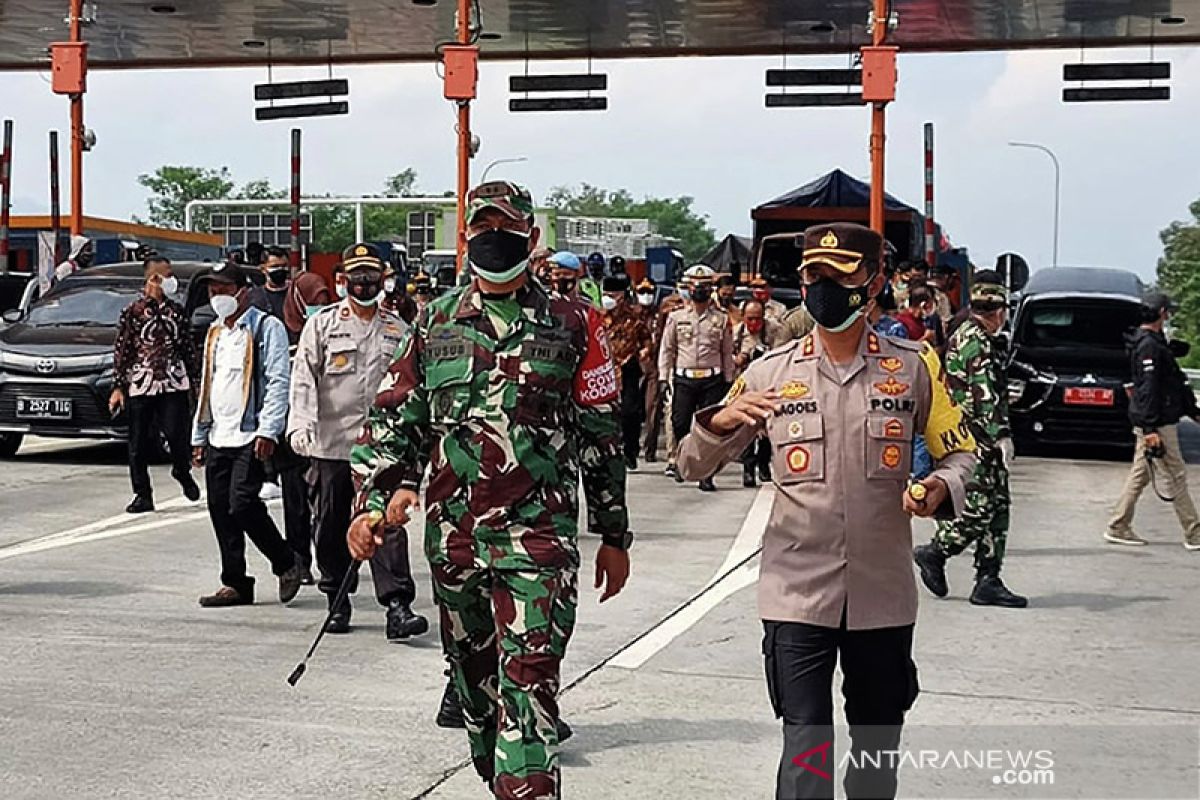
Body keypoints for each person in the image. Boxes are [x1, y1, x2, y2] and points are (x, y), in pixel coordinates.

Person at [348, 181, 632, 800]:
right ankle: (496, 765)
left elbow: (601, 434)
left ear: (531, 240)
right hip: (455, 542)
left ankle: (523, 783)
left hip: (538, 541)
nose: (493, 240)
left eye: (507, 231)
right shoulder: (435, 321)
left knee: (527, 685)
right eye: (483, 230)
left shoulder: (575, 323)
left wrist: (614, 534)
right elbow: (399, 420)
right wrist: (372, 500)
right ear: (465, 237)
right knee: (477, 690)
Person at [677, 222, 976, 800]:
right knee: (806, 748)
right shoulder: (770, 371)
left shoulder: (915, 367)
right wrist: (718, 422)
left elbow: (960, 450)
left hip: (882, 596)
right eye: (813, 275)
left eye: (838, 277)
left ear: (872, 283)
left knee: (875, 755)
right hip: (796, 592)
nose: (822, 287)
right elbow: (692, 465)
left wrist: (941, 485)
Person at [287, 243, 429, 638]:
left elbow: (408, 388)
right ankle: (336, 600)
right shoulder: (323, 324)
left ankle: (397, 605)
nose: (364, 284)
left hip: (382, 449)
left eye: (371, 277)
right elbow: (303, 379)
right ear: (342, 280)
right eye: (356, 277)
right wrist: (300, 424)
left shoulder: (398, 329)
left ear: (382, 280)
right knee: (330, 525)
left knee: (386, 523)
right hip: (333, 443)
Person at [190, 260, 304, 608]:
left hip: (250, 433)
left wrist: (269, 429)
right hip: (219, 434)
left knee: (242, 503)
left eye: (224, 290)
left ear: (243, 291)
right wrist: (198, 436)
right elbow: (208, 386)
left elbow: (277, 382)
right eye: (213, 291)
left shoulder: (266, 328)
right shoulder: (215, 332)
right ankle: (236, 582)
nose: (218, 296)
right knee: (219, 509)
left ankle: (286, 561)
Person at [913, 270, 1027, 608]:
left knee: (998, 510)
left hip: (975, 439)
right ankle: (935, 552)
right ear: (1000, 311)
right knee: (979, 510)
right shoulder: (977, 341)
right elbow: (984, 394)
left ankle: (988, 578)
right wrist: (1002, 435)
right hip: (976, 442)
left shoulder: (969, 334)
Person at [1106, 291, 1200, 549]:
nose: (1170, 316)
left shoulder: (1153, 342)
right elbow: (1148, 390)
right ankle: (1194, 533)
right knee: (1176, 474)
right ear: (1161, 314)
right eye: (1168, 312)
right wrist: (1149, 428)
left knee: (1141, 473)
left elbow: (1171, 384)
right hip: (1157, 422)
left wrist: (1192, 411)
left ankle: (1118, 525)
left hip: (1155, 419)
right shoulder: (1149, 346)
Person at [247, 245, 318, 583]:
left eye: (284, 267)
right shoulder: (254, 304)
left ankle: (315, 556)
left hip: (308, 404)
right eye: (274, 267)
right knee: (288, 490)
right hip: (275, 405)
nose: (279, 272)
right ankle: (296, 558)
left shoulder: (301, 297)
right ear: (263, 269)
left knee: (311, 492)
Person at [109, 256, 201, 513]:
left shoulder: (176, 311)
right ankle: (142, 494)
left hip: (173, 382)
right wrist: (118, 386)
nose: (172, 280)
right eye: (167, 275)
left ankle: (182, 471)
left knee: (177, 434)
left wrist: (194, 380)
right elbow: (123, 350)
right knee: (137, 443)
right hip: (141, 382)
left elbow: (187, 348)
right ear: (154, 278)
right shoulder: (133, 312)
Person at [658, 264, 734, 492]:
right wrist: (664, 378)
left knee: (709, 429)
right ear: (688, 288)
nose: (699, 290)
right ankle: (682, 463)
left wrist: (729, 381)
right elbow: (667, 349)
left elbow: (726, 351)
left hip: (712, 379)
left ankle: (707, 473)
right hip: (684, 378)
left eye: (704, 287)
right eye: (695, 286)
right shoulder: (675, 317)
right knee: (680, 423)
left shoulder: (721, 319)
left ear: (710, 290)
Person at [603, 275, 653, 471]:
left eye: (612, 294)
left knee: (630, 413)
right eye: (606, 294)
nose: (608, 297)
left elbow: (647, 339)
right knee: (608, 413)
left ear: (621, 296)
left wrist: (644, 351)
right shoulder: (598, 317)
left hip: (628, 368)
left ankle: (630, 451)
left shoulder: (634, 318)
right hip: (605, 370)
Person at [732, 299, 772, 488]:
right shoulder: (737, 332)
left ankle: (763, 463)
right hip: (745, 383)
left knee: (767, 429)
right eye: (750, 319)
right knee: (747, 427)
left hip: (768, 384)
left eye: (758, 319)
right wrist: (741, 358)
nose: (754, 323)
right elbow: (728, 355)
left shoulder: (775, 330)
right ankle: (748, 470)